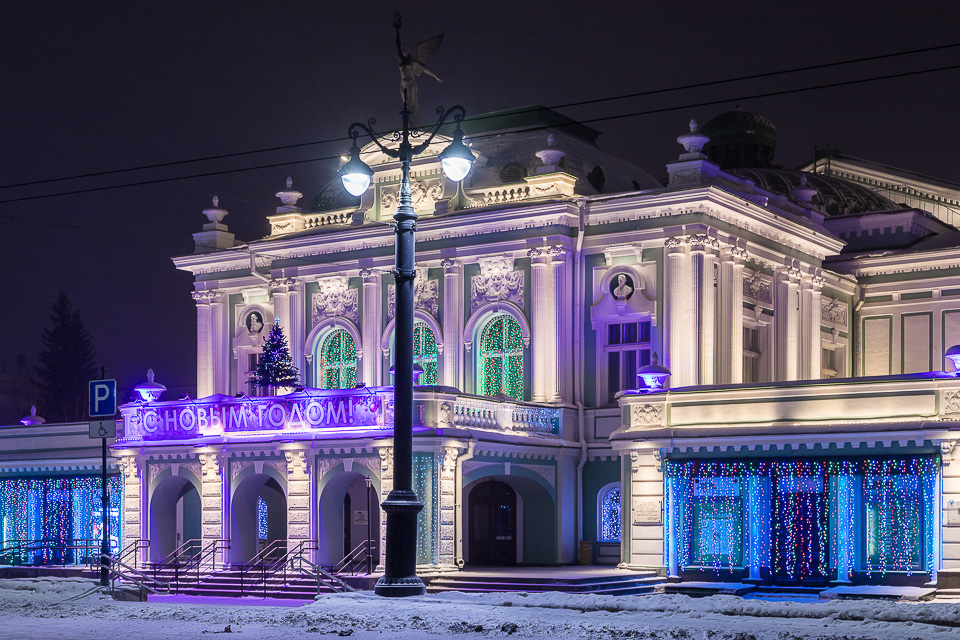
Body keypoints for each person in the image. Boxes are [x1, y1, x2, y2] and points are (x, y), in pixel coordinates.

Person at [394, 12, 444, 128]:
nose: (403, 51)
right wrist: (397, 31)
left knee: (413, 104)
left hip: (411, 83)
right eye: (403, 50)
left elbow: (425, 70)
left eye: (405, 49)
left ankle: (416, 124)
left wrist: (436, 77)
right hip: (403, 84)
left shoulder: (413, 62)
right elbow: (397, 46)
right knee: (406, 106)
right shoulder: (401, 61)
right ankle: (409, 125)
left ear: (409, 51)